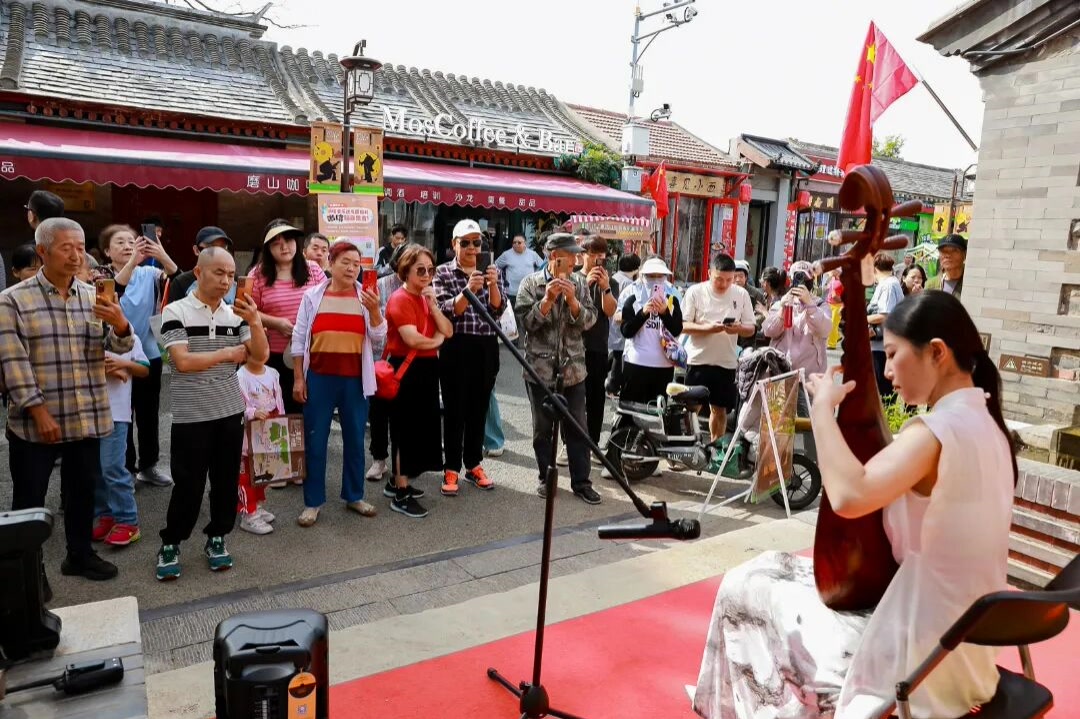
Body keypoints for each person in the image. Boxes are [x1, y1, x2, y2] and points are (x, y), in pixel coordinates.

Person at [693, 290, 1015, 719]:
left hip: (923, 649)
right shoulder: (990, 426)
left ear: (937, 352)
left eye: (894, 354)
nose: (888, 370)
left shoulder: (935, 432)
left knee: (743, 585)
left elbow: (849, 495)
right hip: (969, 643)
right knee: (771, 566)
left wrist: (822, 409)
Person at [0, 218, 135, 584]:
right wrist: (38, 411)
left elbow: (119, 346)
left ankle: (79, 555)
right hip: (35, 423)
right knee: (29, 501)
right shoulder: (13, 300)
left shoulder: (93, 296)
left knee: (81, 493)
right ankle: (27, 574)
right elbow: (13, 363)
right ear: (42, 251)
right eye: (66, 248)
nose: (76, 255)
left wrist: (121, 323)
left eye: (79, 247)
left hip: (85, 415)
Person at [155, 247, 269, 581]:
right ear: (198, 272)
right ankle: (171, 541)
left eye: (231, 275)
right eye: (219, 272)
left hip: (229, 410)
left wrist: (255, 321)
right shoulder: (176, 310)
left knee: (225, 482)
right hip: (191, 414)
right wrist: (228, 354)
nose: (226, 280)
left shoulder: (236, 315)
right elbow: (182, 361)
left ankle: (217, 536)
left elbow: (259, 355)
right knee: (188, 484)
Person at [291, 241, 386, 527]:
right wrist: (299, 378)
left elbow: (379, 339)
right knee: (315, 440)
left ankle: (355, 495)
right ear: (330, 264)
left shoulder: (366, 296)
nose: (351, 268)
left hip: (354, 380)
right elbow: (299, 337)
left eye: (356, 264)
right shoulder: (312, 296)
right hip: (319, 378)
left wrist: (375, 311)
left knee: (355, 439)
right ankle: (312, 502)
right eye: (345, 262)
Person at [516, 233, 602, 504]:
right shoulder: (531, 283)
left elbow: (590, 320)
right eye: (571, 255)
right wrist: (547, 300)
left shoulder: (580, 283)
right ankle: (546, 478)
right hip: (540, 370)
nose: (576, 261)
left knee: (578, 428)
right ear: (554, 256)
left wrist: (574, 302)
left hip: (573, 369)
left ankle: (582, 482)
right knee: (542, 430)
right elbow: (526, 324)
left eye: (577, 255)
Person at [97, 224, 179, 488]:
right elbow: (114, 292)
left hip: (149, 352)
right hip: (115, 355)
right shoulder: (101, 275)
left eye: (132, 242)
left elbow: (177, 280)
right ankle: (126, 469)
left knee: (148, 414)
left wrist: (160, 253)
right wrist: (133, 261)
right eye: (119, 242)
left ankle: (148, 466)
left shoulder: (150, 273)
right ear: (107, 251)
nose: (127, 246)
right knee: (122, 415)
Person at [432, 219, 508, 497]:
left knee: (479, 408)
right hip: (456, 345)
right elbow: (446, 309)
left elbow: (498, 309)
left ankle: (473, 463)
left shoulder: (492, 270)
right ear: (454, 244)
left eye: (477, 242)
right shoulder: (443, 272)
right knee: (455, 410)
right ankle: (451, 467)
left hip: (486, 346)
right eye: (465, 242)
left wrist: (493, 284)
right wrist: (469, 290)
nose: (472, 248)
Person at [384, 245, 454, 518]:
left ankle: (397, 482)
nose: (427, 275)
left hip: (425, 368)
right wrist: (437, 341)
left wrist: (434, 306)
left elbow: (448, 330)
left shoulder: (426, 298)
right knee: (404, 430)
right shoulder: (399, 299)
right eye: (421, 270)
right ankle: (400, 493)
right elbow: (412, 339)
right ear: (406, 270)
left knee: (419, 427)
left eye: (431, 270)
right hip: (406, 368)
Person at [248, 220, 325, 417]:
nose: (284, 247)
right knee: (279, 413)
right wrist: (276, 323)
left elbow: (327, 304)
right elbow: (247, 311)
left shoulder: (313, 270)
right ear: (268, 248)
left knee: (310, 411)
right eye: (277, 243)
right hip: (274, 356)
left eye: (289, 241)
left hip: (311, 353)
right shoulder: (257, 275)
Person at [681, 253, 757, 443]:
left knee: (720, 409)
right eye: (719, 279)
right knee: (691, 408)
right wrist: (707, 329)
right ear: (709, 273)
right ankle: (687, 445)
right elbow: (682, 325)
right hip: (698, 360)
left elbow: (751, 328)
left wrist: (738, 329)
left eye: (729, 279)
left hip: (726, 362)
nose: (724, 284)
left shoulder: (741, 294)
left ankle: (716, 447)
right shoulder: (695, 292)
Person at [93, 332, 150, 547]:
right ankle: (106, 515)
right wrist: (107, 368)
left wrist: (122, 364)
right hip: (88, 412)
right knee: (96, 470)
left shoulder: (126, 332)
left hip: (116, 414)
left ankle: (127, 520)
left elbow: (144, 368)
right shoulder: (83, 328)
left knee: (112, 467)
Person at [366, 242, 410, 483]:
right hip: (382, 357)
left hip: (411, 359)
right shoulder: (381, 285)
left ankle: (402, 465)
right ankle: (379, 459)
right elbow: (374, 322)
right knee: (379, 412)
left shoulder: (423, 288)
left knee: (404, 414)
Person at [617, 257, 684, 403]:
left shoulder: (672, 300)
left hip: (663, 365)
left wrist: (664, 313)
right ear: (643, 276)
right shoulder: (633, 298)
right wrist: (643, 313)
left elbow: (677, 330)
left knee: (657, 409)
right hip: (636, 362)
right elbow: (626, 331)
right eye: (651, 276)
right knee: (631, 408)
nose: (655, 280)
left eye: (660, 276)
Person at [575, 237, 619, 454]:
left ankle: (592, 442)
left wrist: (605, 287)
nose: (597, 260)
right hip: (573, 345)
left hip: (597, 346)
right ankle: (569, 442)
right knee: (573, 396)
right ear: (582, 255)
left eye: (601, 256)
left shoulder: (611, 282)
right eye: (593, 255)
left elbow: (610, 311)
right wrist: (586, 284)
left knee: (595, 397)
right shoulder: (574, 277)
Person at [236, 351, 284, 535]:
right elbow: (237, 405)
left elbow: (279, 400)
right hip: (248, 433)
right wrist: (252, 412)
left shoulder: (273, 373)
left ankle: (256, 505)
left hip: (267, 430)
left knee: (263, 473)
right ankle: (248, 513)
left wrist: (282, 423)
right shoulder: (240, 376)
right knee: (246, 475)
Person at [166, 226, 238, 304]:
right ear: (196, 250)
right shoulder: (181, 282)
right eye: (211, 249)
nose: (225, 281)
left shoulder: (234, 283)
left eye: (223, 248)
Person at [868, 253, 906, 398]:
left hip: (883, 346)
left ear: (874, 269)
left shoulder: (888, 285)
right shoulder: (889, 283)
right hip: (881, 344)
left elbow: (885, 315)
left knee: (883, 391)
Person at [606, 253, 640, 395]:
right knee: (618, 354)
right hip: (621, 323)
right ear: (636, 268)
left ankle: (609, 381)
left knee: (615, 352)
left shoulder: (614, 277)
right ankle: (613, 385)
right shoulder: (629, 284)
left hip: (610, 321)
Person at [495, 234, 544, 305]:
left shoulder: (533, 254)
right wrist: (501, 280)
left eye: (519, 242)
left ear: (525, 243)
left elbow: (542, 266)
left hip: (528, 292)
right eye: (514, 242)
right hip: (511, 293)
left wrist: (535, 275)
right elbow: (496, 266)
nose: (516, 244)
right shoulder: (506, 254)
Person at [825, 269, 845, 350]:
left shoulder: (843, 281)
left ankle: (832, 344)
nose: (829, 271)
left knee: (833, 325)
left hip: (837, 306)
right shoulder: (833, 278)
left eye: (832, 270)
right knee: (829, 324)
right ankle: (837, 336)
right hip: (830, 304)